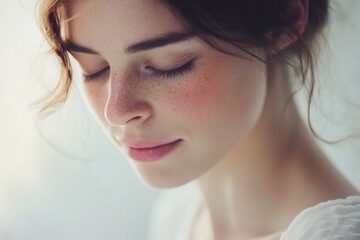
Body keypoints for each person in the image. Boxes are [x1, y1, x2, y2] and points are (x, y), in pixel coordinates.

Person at [38, 0, 360, 239]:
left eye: (170, 64)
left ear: (283, 19)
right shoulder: (177, 217)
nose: (117, 111)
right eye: (93, 68)